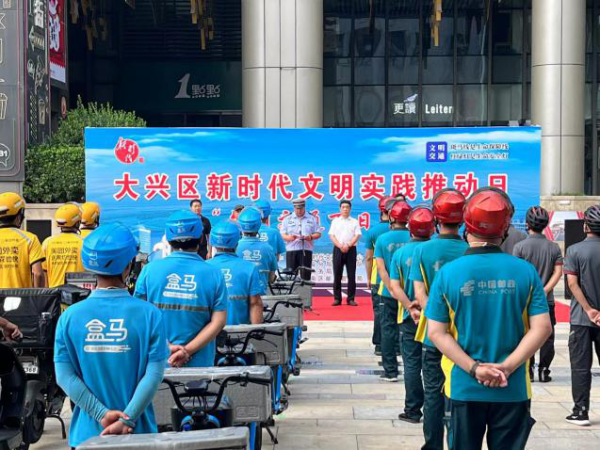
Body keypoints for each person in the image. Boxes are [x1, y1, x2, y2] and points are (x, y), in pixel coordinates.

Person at [425, 187, 552, 450]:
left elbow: (436, 332)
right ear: (505, 228)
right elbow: (542, 328)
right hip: (513, 387)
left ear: (467, 224)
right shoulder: (526, 272)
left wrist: (475, 369)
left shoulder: (448, 273)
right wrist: (507, 368)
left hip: (463, 386)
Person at [54, 223, 170, 447]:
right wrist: (127, 419)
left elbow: (65, 377)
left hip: (87, 438)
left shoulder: (69, 318)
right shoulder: (150, 315)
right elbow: (154, 374)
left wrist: (101, 414)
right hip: (139, 435)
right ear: (128, 266)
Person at [409, 188, 468, 450]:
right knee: (458, 394)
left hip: (432, 335)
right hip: (463, 335)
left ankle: (432, 445)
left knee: (433, 393)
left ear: (436, 218)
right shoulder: (469, 250)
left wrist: (436, 319)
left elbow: (420, 294)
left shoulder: (423, 250)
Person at [134, 210, 227, 368]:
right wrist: (187, 351)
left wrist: (167, 347)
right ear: (201, 238)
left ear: (169, 240)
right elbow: (219, 321)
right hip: (200, 366)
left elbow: (139, 317)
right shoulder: (214, 274)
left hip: (156, 364)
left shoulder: (149, 270)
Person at [390, 206, 435, 424]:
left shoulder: (400, 254)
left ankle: (413, 410)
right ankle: (437, 409)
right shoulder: (434, 251)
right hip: (436, 317)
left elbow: (394, 286)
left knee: (411, 364)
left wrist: (409, 306)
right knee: (435, 364)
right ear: (432, 229)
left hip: (409, 316)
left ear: (411, 229)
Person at [513, 206, 563, 382]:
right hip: (547, 301)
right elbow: (558, 272)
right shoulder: (554, 247)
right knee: (548, 336)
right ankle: (544, 370)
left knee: (527, 334)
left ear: (527, 224)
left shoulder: (519, 247)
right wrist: (545, 290)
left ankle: (529, 370)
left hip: (525, 300)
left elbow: (517, 274)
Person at [563, 204, 600, 426]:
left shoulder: (574, 250)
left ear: (586, 226)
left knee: (580, 367)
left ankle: (581, 411)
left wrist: (589, 310)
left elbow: (572, 284)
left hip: (581, 319)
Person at [375, 200, 412, 382]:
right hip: (411, 293)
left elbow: (381, 269)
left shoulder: (383, 239)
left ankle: (391, 371)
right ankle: (412, 368)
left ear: (391, 217)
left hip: (388, 292)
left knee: (388, 330)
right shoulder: (414, 239)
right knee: (409, 331)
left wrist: (391, 288)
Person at [207, 220, 265, 325]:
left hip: (209, 333)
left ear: (213, 242)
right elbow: (255, 303)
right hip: (240, 333)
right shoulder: (249, 268)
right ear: (237, 240)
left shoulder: (204, 267)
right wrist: (256, 331)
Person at [363, 196, 392, 355]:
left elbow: (369, 257)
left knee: (379, 312)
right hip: (399, 280)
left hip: (378, 279)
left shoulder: (373, 232)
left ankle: (380, 345)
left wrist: (368, 278)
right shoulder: (406, 232)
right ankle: (396, 346)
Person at [0, 192, 45, 288]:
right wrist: (38, 295)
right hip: (22, 297)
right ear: (19, 215)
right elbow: (38, 274)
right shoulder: (30, 239)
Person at [42, 203, 85, 288]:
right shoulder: (84, 242)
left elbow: (44, 272)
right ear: (77, 223)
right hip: (78, 293)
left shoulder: (47, 243)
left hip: (54, 293)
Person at [329, 200, 362, 307]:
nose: (345, 209)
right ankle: (337, 299)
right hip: (338, 249)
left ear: (350, 209)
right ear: (340, 209)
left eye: (347, 207)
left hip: (351, 249)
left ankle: (350, 299)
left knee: (351, 275)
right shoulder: (335, 221)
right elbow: (332, 235)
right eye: (343, 207)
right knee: (337, 274)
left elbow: (357, 235)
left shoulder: (354, 221)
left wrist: (348, 245)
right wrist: (340, 246)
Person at [236, 207, 278, 288]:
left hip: (239, 292)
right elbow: (271, 278)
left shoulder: (235, 247)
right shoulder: (268, 248)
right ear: (258, 224)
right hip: (260, 292)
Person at [280, 198, 321, 280]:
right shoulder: (287, 219)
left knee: (305, 276)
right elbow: (282, 235)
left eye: (301, 209)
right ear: (294, 207)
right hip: (291, 250)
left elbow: (318, 233)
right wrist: (290, 238)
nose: (299, 211)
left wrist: (310, 237)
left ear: (304, 207)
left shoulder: (311, 218)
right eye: (297, 209)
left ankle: (305, 288)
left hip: (306, 251)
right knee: (291, 276)